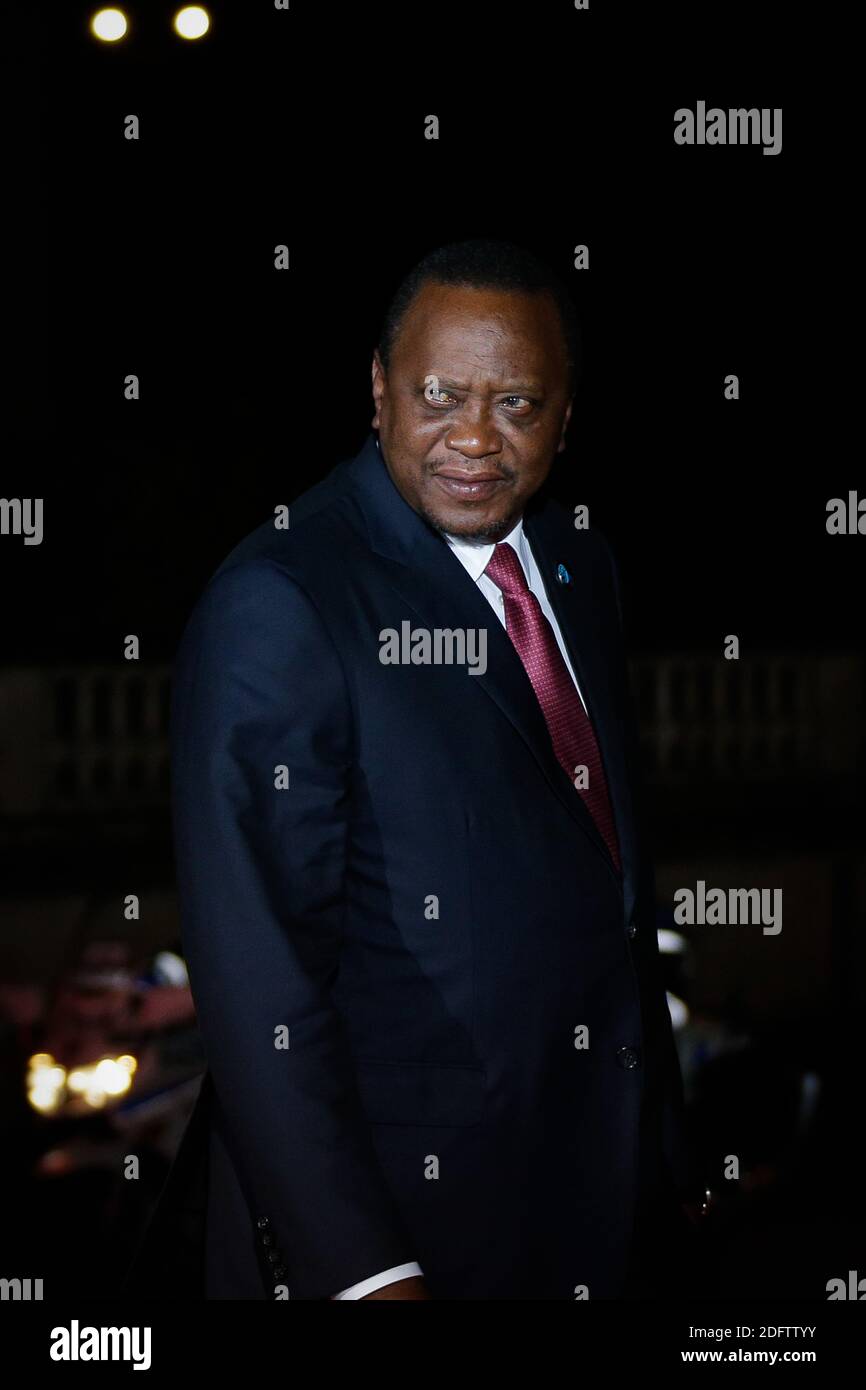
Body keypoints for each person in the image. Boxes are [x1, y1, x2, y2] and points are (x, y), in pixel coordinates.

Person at [125, 238, 705, 1301]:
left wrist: (660, 1158)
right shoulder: (285, 599)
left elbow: (609, 897)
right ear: (379, 389)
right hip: (415, 1231)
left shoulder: (580, 565)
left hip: (602, 1206)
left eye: (517, 403)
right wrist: (364, 1269)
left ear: (565, 416)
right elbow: (259, 982)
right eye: (440, 394)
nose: (475, 436)